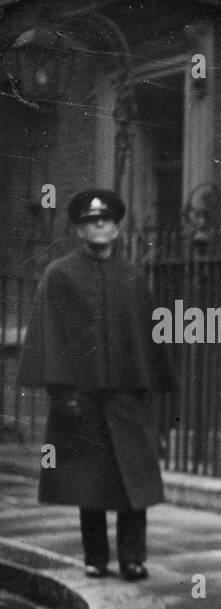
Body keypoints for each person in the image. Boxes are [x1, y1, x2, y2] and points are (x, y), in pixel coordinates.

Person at [16, 188, 176, 581]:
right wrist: (62, 391)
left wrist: (150, 396)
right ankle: (96, 557)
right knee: (89, 484)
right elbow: (51, 334)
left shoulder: (133, 277)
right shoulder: (60, 275)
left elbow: (148, 341)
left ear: (117, 228)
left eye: (106, 220)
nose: (99, 225)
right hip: (82, 399)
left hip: (126, 399)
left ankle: (133, 558)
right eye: (91, 221)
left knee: (133, 482)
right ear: (79, 229)